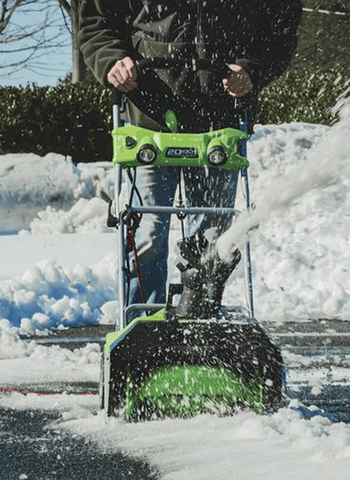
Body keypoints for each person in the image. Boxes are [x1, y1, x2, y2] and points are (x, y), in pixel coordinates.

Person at [79, 0, 302, 315]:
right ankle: (144, 326)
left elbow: (281, 23)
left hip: (220, 118)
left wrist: (251, 68)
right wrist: (112, 60)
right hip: (150, 116)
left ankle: (200, 321)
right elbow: (97, 22)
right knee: (148, 235)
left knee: (210, 241)